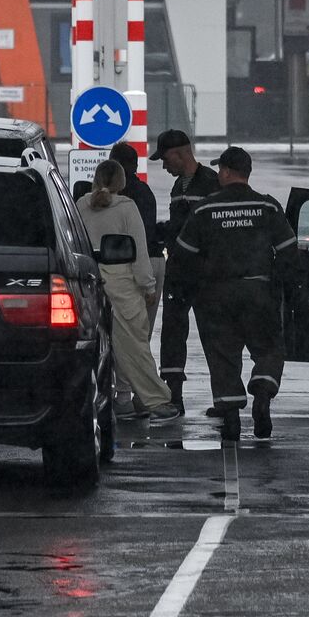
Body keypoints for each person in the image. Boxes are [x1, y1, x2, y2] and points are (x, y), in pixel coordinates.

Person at [172, 147, 298, 442]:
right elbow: (288, 251)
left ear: (227, 172)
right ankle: (262, 392)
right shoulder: (267, 207)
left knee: (222, 355)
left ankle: (230, 420)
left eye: (220, 170)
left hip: (216, 294)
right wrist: (286, 289)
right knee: (269, 348)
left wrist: (185, 289)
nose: (218, 174)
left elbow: (183, 255)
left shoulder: (205, 209)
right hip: (259, 291)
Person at [75, 160, 179, 426]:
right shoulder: (127, 207)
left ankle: (115, 399)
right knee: (133, 345)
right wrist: (148, 286)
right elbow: (139, 252)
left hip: (88, 280)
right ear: (121, 182)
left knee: (95, 345)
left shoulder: (80, 206)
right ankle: (155, 401)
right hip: (122, 283)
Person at [149, 129, 220, 415]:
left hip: (206, 272)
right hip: (179, 270)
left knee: (213, 335)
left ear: (180, 154)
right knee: (172, 332)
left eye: (166, 160)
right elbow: (181, 226)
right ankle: (174, 394)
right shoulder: (179, 186)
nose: (164, 167)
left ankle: (223, 398)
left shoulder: (212, 183)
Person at [108, 142, 163, 337]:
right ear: (135, 166)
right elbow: (145, 238)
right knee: (141, 334)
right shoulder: (144, 193)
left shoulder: (100, 198)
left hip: (115, 268)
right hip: (148, 263)